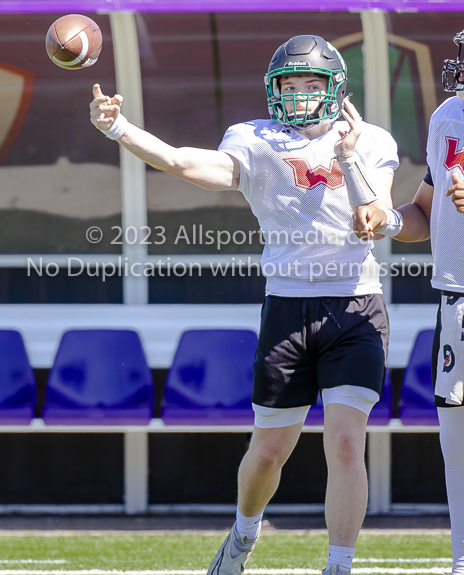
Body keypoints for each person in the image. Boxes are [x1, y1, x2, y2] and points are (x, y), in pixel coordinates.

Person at [89, 35, 399, 575]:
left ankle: (340, 565)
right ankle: (245, 530)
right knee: (268, 452)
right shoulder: (255, 139)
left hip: (356, 307)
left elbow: (372, 218)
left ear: (336, 88)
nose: (300, 95)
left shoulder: (370, 140)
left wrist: (348, 159)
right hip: (287, 308)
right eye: (290, 84)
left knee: (347, 444)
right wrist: (118, 127)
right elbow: (187, 164)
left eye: (311, 84)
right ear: (273, 90)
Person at [353, 30, 464, 575]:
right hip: (456, 295)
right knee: (458, 439)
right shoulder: (449, 116)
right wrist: (390, 220)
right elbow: (427, 209)